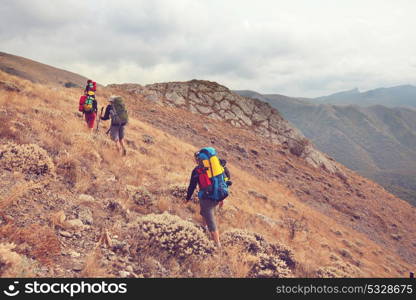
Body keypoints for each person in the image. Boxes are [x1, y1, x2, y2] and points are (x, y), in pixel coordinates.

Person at [186, 151, 228, 247]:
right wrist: (222, 198)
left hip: (206, 197)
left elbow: (192, 186)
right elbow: (222, 182)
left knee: (211, 221)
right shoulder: (215, 169)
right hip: (217, 196)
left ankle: (218, 245)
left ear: (198, 159)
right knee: (205, 213)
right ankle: (204, 229)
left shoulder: (197, 170)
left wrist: (187, 198)